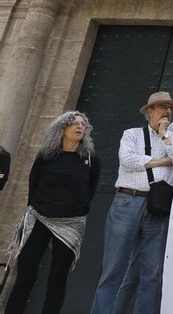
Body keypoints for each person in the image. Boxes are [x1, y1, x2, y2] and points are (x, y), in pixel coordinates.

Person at [90, 91, 173, 314]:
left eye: (169, 108)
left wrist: (165, 135)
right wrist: (162, 161)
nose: (167, 111)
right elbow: (127, 161)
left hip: (157, 208)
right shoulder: (132, 134)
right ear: (150, 112)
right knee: (113, 269)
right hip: (128, 201)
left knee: (152, 274)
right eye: (161, 107)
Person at [4, 112, 100, 314]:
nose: (79, 126)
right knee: (25, 275)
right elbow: (34, 184)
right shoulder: (46, 157)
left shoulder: (91, 161)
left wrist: (76, 210)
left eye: (83, 124)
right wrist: (40, 209)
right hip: (40, 218)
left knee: (57, 279)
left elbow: (89, 191)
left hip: (71, 224)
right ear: (62, 129)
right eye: (74, 123)